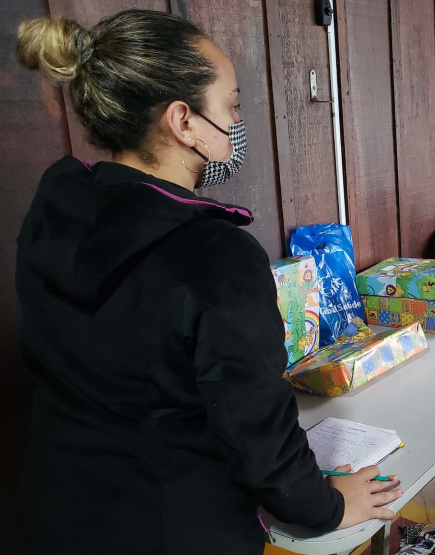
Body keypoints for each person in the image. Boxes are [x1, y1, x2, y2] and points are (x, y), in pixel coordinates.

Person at [15, 10, 401, 555]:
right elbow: (259, 437)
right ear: (184, 121)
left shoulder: (57, 209)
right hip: (173, 528)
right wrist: (328, 505)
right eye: (232, 106)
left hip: (54, 514)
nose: (237, 121)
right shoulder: (215, 255)